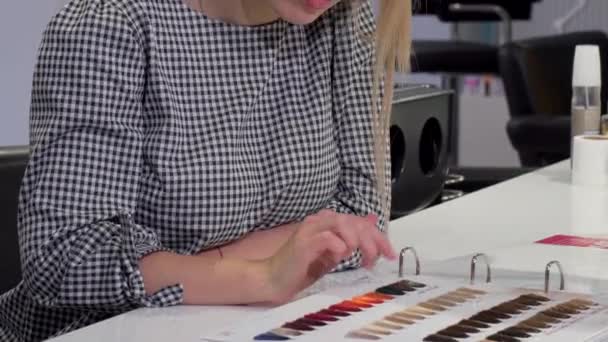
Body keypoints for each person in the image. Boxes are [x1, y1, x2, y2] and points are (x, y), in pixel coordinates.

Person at [0, 0, 411, 341]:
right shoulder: (110, 25)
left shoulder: (340, 18)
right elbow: (63, 259)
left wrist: (198, 267)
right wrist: (261, 275)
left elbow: (361, 221)